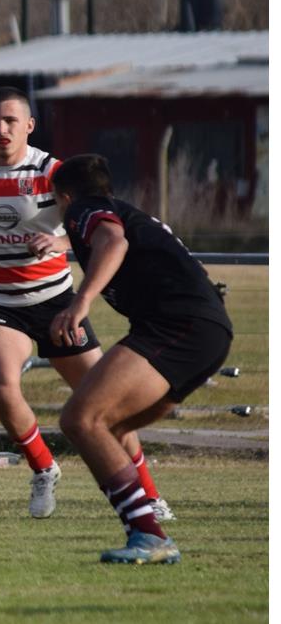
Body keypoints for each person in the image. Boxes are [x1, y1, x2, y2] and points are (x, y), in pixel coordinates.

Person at [0, 87, 169, 520]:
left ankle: (147, 493)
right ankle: (43, 468)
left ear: (29, 126)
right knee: (0, 385)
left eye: (10, 121)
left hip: (56, 303)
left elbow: (102, 224)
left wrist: (57, 239)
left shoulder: (54, 173)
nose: (1, 129)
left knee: (105, 405)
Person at [50, 154, 231, 564]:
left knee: (81, 419)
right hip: (205, 331)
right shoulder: (130, 212)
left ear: (64, 196)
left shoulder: (85, 209)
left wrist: (80, 303)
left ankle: (149, 535)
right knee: (105, 429)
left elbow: (113, 242)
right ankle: (148, 532)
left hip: (178, 327)